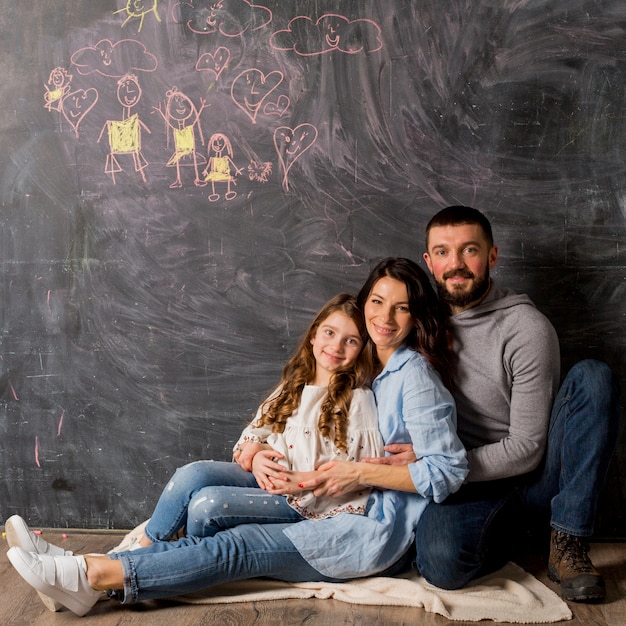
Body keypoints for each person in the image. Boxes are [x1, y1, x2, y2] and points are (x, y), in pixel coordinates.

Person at [6, 258, 468, 617]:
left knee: (233, 540)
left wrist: (364, 471)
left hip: (363, 528)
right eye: (377, 302)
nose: (385, 317)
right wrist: (255, 449)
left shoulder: (406, 378)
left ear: (416, 314)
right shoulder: (384, 371)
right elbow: (269, 428)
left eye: (402, 306)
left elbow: (444, 471)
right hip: (330, 501)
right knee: (202, 489)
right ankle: (93, 571)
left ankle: (90, 573)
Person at [378, 205, 619, 603]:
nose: (455, 265)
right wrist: (264, 433)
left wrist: (434, 461)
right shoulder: (412, 320)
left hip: (529, 478)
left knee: (594, 377)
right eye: (442, 252)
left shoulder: (525, 328)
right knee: (439, 564)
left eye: (468, 250)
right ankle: (510, 535)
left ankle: (568, 540)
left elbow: (526, 449)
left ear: (492, 255)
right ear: (429, 262)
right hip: (462, 483)